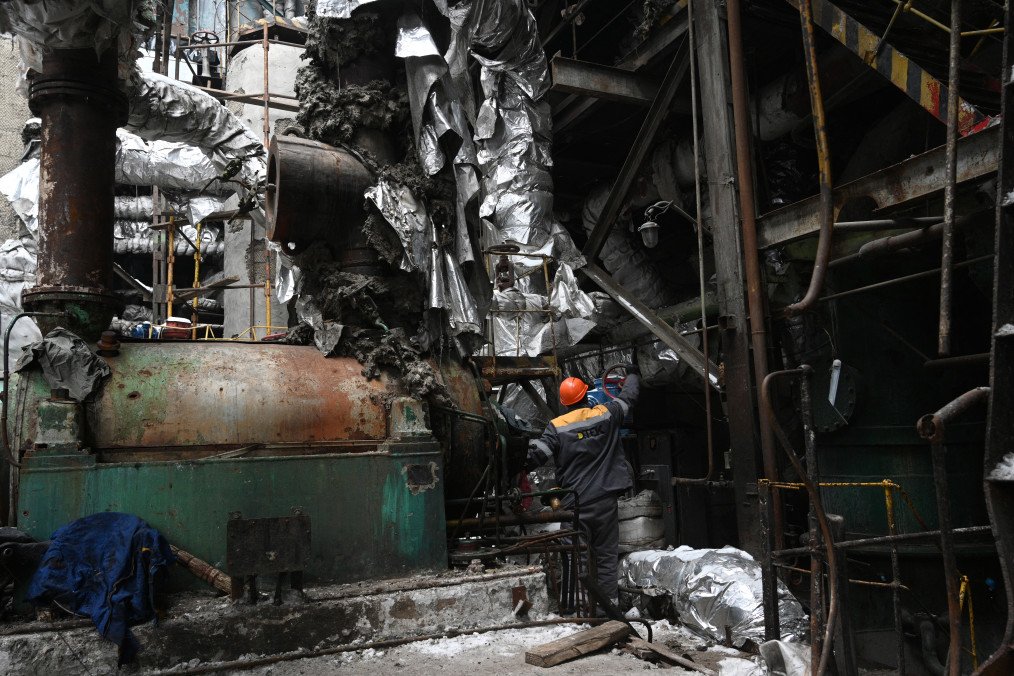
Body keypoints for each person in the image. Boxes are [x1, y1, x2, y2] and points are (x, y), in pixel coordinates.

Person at [525, 365, 640, 610]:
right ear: (586, 395)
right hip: (605, 502)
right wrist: (632, 375)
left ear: (565, 404)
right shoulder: (606, 414)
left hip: (575, 506)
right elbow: (628, 397)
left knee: (576, 558)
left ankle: (579, 609)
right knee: (607, 558)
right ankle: (607, 610)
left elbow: (537, 456)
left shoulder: (557, 426)